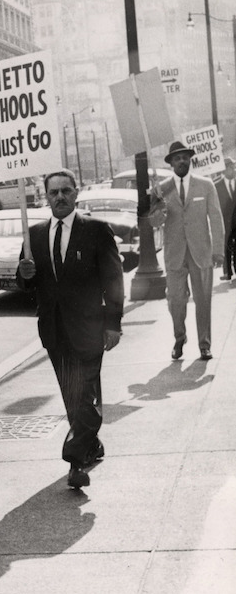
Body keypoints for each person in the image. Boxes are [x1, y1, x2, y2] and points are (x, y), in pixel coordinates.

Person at [17, 169, 124, 489]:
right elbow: (26, 284)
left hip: (90, 328)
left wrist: (113, 324)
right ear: (46, 197)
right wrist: (24, 274)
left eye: (66, 191)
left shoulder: (96, 230)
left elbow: (113, 280)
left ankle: (75, 460)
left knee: (85, 396)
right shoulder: (34, 236)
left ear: (76, 193)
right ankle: (91, 445)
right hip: (54, 330)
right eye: (54, 192)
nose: (60, 197)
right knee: (72, 396)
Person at [149, 140, 224, 360]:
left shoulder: (205, 185)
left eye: (185, 157)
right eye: (177, 158)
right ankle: (179, 337)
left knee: (203, 300)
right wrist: (159, 211)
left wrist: (218, 250)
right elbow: (153, 223)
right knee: (175, 300)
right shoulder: (161, 189)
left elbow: (216, 218)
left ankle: (204, 344)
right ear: (171, 163)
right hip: (175, 254)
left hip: (201, 253)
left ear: (190, 160)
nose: (182, 161)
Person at [216, 156, 236, 281]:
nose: (233, 169)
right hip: (225, 222)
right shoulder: (216, 186)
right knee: (226, 247)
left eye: (233, 166)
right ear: (224, 170)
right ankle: (227, 272)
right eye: (230, 167)